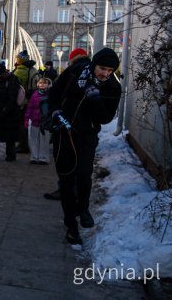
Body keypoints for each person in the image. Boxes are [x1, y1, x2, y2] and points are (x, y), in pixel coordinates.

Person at [48, 47, 122, 245]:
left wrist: (96, 100)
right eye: (102, 68)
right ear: (93, 64)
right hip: (63, 134)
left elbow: (106, 118)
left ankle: (83, 208)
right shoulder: (76, 71)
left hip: (86, 137)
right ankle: (71, 225)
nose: (105, 73)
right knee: (65, 180)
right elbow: (54, 92)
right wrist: (55, 111)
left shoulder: (113, 87)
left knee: (83, 176)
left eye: (110, 70)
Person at [42, 48, 90, 201]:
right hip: (86, 128)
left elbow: (55, 93)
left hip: (66, 124)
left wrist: (54, 112)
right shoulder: (93, 72)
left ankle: (66, 190)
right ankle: (76, 194)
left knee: (65, 161)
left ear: (72, 59)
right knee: (81, 163)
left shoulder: (72, 71)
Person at [13, 50, 40, 153]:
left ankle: (23, 145)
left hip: (23, 102)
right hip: (33, 100)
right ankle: (30, 144)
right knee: (30, 124)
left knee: (21, 123)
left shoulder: (20, 71)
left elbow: (15, 86)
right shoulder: (34, 70)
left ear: (20, 60)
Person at [24, 77, 52, 165]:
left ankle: (44, 158)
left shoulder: (51, 95)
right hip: (35, 121)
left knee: (44, 140)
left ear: (48, 85)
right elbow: (30, 107)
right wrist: (26, 118)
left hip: (45, 122)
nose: (42, 84)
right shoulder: (35, 94)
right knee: (33, 139)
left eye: (44, 83)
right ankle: (34, 157)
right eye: (40, 83)